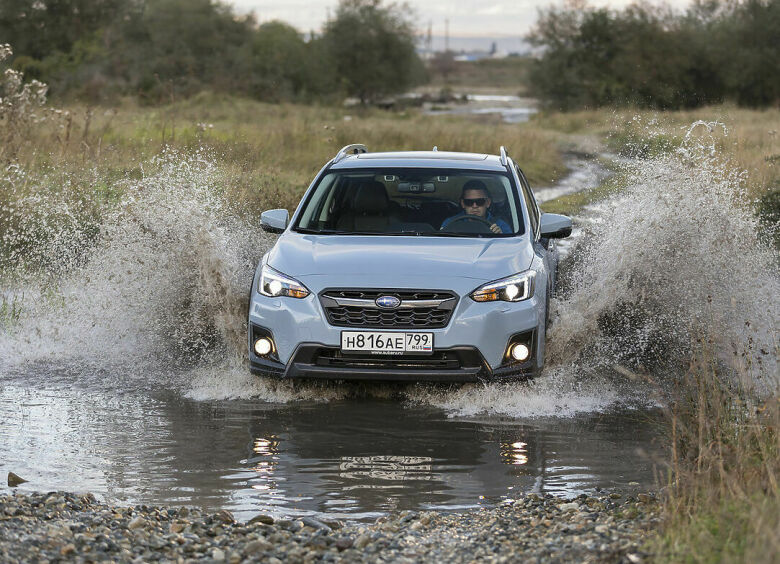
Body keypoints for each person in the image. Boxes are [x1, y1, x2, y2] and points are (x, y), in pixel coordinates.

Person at [440, 179, 511, 233]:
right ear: (463, 204)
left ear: (488, 203)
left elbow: (510, 247)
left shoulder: (500, 226)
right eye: (469, 202)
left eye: (480, 201)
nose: (474, 206)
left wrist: (500, 236)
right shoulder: (450, 223)